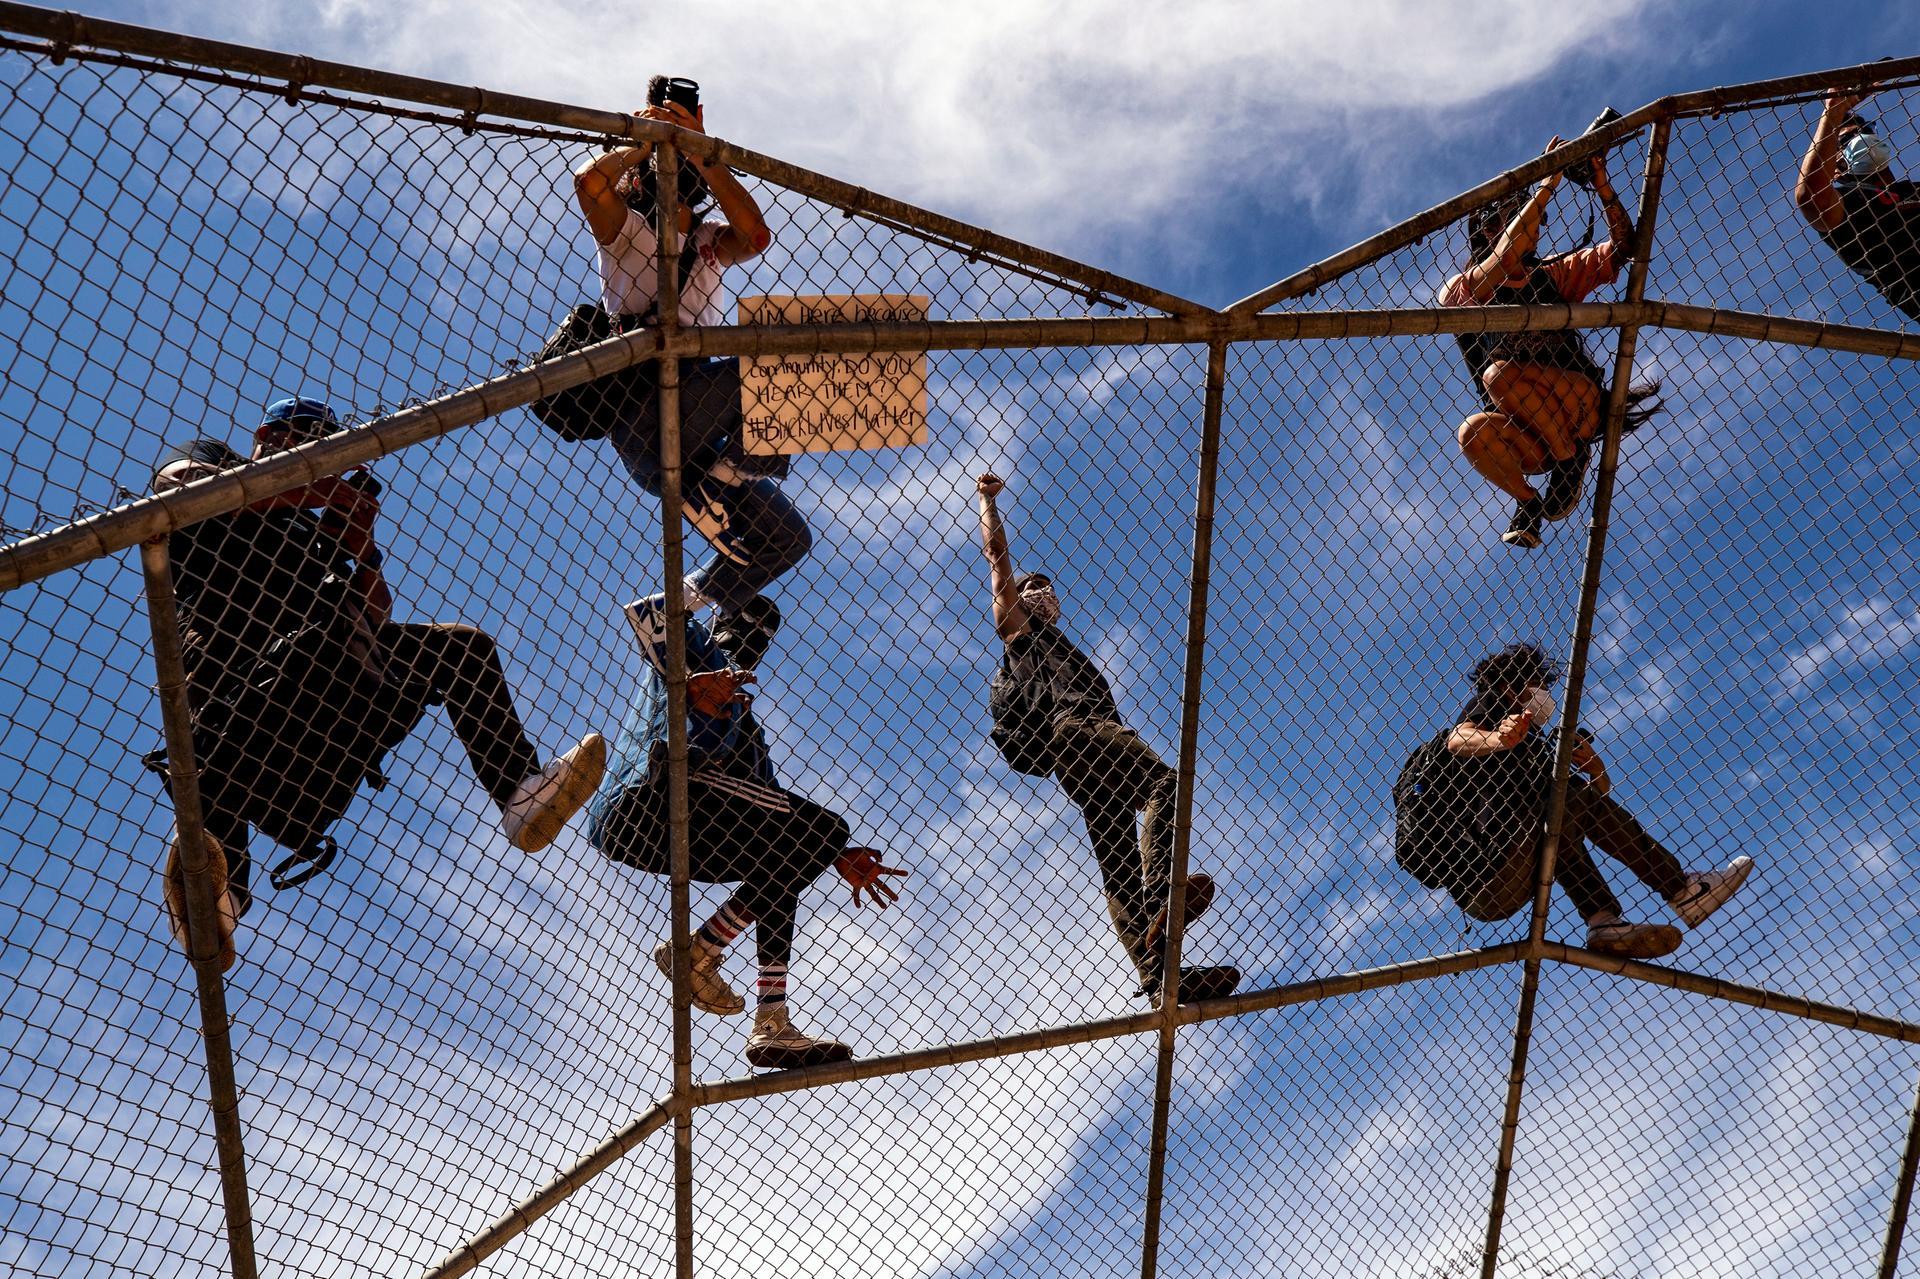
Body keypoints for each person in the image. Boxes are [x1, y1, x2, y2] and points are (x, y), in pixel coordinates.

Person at [150, 397, 605, 969]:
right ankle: (215, 902)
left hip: (332, 692)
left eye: (329, 448)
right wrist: (325, 494)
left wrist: (358, 541)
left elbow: (375, 618)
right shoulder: (216, 464)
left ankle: (522, 794)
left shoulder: (307, 525)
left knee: (460, 649)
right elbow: (180, 488)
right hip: (240, 685)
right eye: (309, 440)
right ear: (269, 435)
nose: (319, 457)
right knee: (211, 749)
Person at [587, 598, 907, 1070]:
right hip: (650, 796)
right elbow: (648, 613)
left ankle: (770, 1020)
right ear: (717, 624)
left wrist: (830, 854)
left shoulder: (746, 718)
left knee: (789, 855)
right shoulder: (691, 658)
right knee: (824, 828)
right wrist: (703, 592)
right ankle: (699, 952)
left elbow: (778, 820)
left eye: (764, 630)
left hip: (675, 827)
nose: (753, 637)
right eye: (744, 620)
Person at [972, 473, 1239, 1006]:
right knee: (1164, 783)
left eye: (1046, 588)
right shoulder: (1019, 632)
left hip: (1075, 764)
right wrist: (987, 502)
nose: (1040, 592)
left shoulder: (1059, 645)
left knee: (1116, 859)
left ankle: (1158, 971)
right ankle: (1166, 892)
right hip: (1082, 732)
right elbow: (997, 561)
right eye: (1031, 589)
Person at [569, 76, 812, 660]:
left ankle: (676, 605)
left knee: (789, 539)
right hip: (646, 415)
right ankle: (723, 480)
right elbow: (588, 182)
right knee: (773, 356)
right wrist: (647, 138)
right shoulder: (627, 230)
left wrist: (703, 150)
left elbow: (755, 235)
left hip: (700, 444)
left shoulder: (706, 238)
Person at [1393, 643, 1752, 959]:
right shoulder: (1493, 703)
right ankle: (1682, 890)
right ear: (1510, 684)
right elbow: (1458, 739)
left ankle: (1603, 922)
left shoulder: (1535, 748)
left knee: (1562, 813)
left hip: (1498, 880)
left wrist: (1596, 770)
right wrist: (1499, 740)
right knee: (1564, 801)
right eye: (1536, 684)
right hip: (1488, 864)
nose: (1544, 695)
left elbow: (1596, 805)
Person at [1439, 136, 1661, 550]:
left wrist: (1602, 185)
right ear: (1486, 231)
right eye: (1515, 217)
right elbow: (1506, 257)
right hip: (1532, 432)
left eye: (1531, 218)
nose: (1533, 227)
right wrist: (1547, 182)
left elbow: (1626, 248)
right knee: (1473, 431)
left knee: (1498, 374)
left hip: (1576, 402)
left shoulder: (1552, 275)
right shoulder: (1463, 290)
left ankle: (1569, 458)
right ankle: (1530, 502)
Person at [1796, 86, 1920, 321]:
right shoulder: (1849, 202)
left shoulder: (1911, 189)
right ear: (1833, 169)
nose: (1862, 139)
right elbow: (1811, 197)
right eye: (1847, 141)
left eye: (1865, 131)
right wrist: (1833, 111)